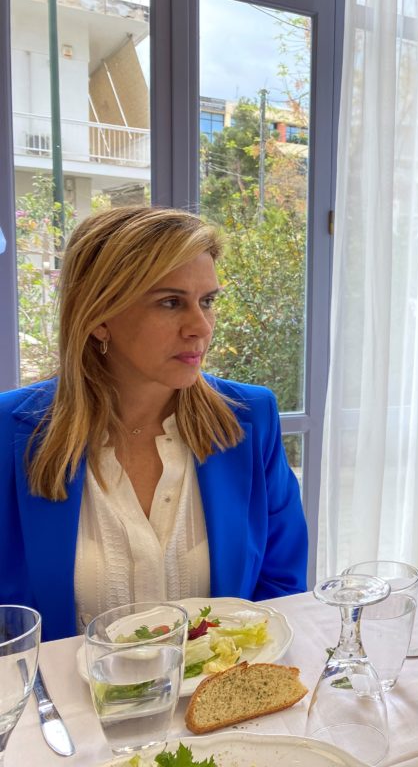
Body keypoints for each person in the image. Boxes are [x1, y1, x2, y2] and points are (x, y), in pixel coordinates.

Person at [0, 206, 308, 641]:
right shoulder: (10, 431)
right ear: (99, 316)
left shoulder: (249, 419)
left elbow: (282, 590)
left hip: (225, 684)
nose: (200, 327)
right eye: (170, 302)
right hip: (57, 687)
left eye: (207, 301)